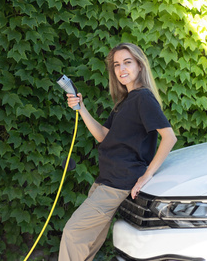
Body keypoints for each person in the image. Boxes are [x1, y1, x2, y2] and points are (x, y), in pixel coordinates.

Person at [58, 43, 177, 260]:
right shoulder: (125, 101)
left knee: (74, 233)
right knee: (87, 244)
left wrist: (146, 175)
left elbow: (169, 137)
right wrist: (81, 108)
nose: (121, 68)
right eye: (117, 64)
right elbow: (103, 135)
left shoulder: (143, 98)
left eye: (127, 62)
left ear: (140, 66)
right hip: (105, 181)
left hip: (117, 184)